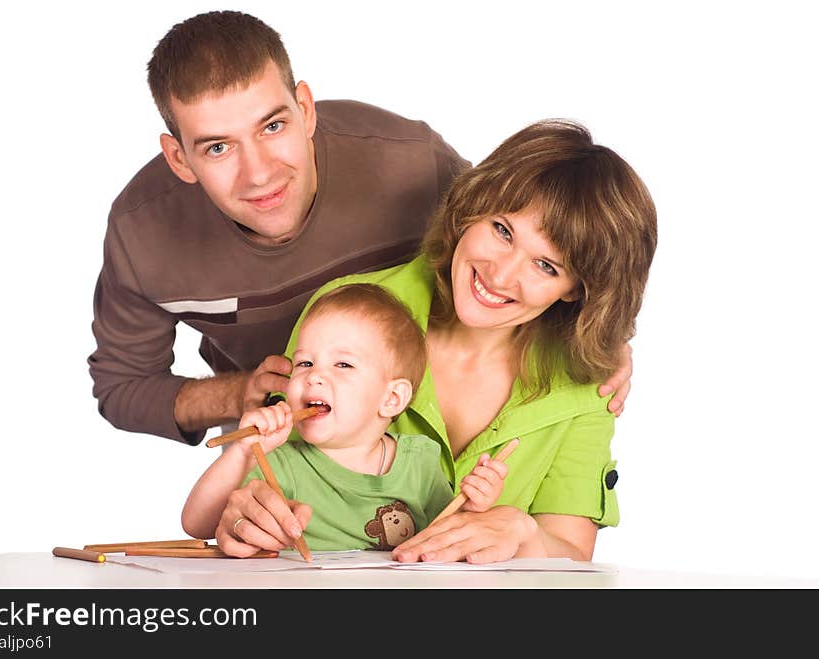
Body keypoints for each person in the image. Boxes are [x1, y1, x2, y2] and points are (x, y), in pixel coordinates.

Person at [87, 10, 633, 448]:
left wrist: (604, 329)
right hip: (276, 438)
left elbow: (531, 240)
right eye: (218, 147)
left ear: (305, 107)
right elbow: (122, 388)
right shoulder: (142, 234)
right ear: (179, 159)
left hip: (423, 424)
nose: (259, 174)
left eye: (273, 126)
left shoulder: (411, 161)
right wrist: (240, 393)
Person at [213, 119, 657, 564]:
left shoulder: (587, 387)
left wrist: (525, 534)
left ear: (576, 289)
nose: (501, 275)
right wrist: (247, 513)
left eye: (546, 266)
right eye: (502, 230)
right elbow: (263, 472)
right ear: (474, 208)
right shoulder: (342, 314)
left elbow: (571, 552)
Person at [181, 283, 509, 551]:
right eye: (305, 363)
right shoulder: (280, 463)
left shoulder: (419, 462)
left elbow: (442, 539)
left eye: (343, 365)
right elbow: (197, 525)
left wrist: (471, 508)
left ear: (392, 398)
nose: (314, 377)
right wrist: (241, 452)